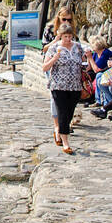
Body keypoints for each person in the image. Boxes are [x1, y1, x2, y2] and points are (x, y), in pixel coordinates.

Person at [41, 23, 86, 154]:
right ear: (60, 36)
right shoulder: (54, 48)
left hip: (75, 85)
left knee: (69, 113)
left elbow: (83, 63)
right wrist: (54, 59)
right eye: (65, 36)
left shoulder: (77, 47)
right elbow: (45, 67)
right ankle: (66, 143)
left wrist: (87, 59)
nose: (68, 39)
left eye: (70, 36)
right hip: (58, 85)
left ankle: (59, 131)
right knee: (62, 112)